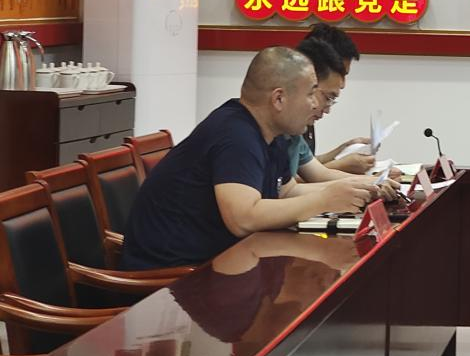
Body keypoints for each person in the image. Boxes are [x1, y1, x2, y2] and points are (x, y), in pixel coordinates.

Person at [122, 47, 376, 270]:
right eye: (311, 94)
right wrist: (324, 199)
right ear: (279, 99)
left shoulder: (272, 133)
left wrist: (357, 187)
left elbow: (287, 192)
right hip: (173, 277)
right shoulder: (234, 135)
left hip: (222, 263)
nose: (314, 105)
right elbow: (243, 219)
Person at [288, 35, 398, 200]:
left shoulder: (293, 130)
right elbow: (288, 189)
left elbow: (312, 170)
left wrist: (372, 182)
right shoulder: (259, 131)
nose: (344, 84)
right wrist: (347, 174)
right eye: (328, 97)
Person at [303, 23, 375, 174]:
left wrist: (342, 150)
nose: (342, 84)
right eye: (340, 73)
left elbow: (305, 165)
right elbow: (286, 182)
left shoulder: (307, 114)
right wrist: (340, 166)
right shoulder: (290, 117)